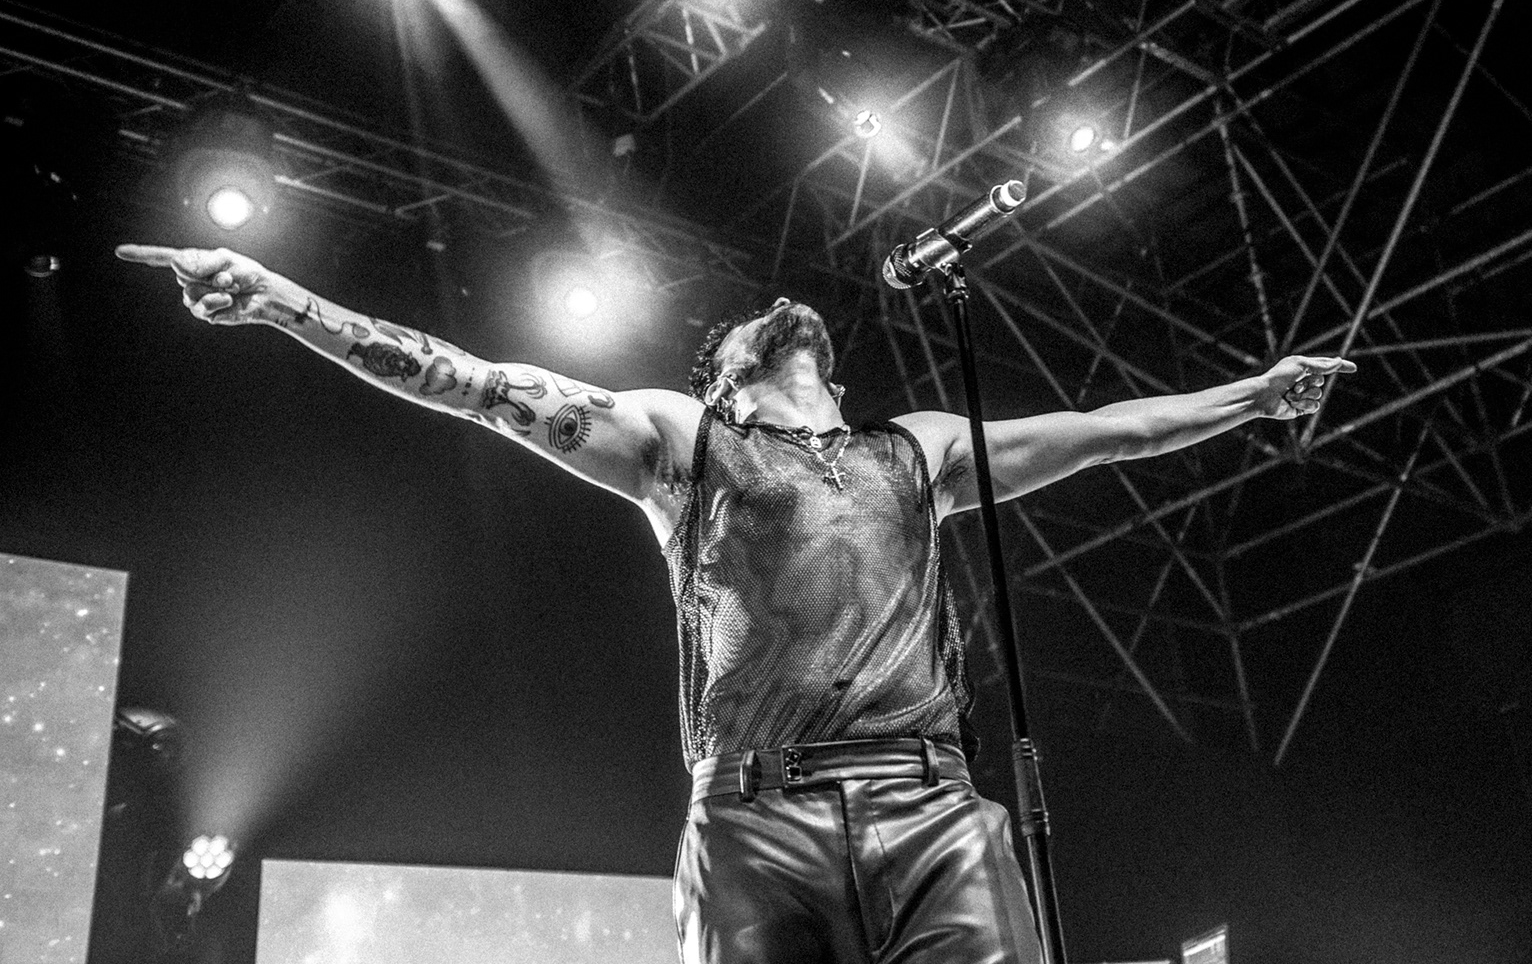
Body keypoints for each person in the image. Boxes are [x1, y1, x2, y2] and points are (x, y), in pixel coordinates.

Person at [116, 242, 1357, 964]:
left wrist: (1255, 395)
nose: (781, 319)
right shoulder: (681, 440)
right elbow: (475, 382)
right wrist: (280, 299)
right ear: (725, 376)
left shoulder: (915, 446)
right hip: (757, 819)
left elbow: (1105, 430)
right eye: (748, 332)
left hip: (931, 803)